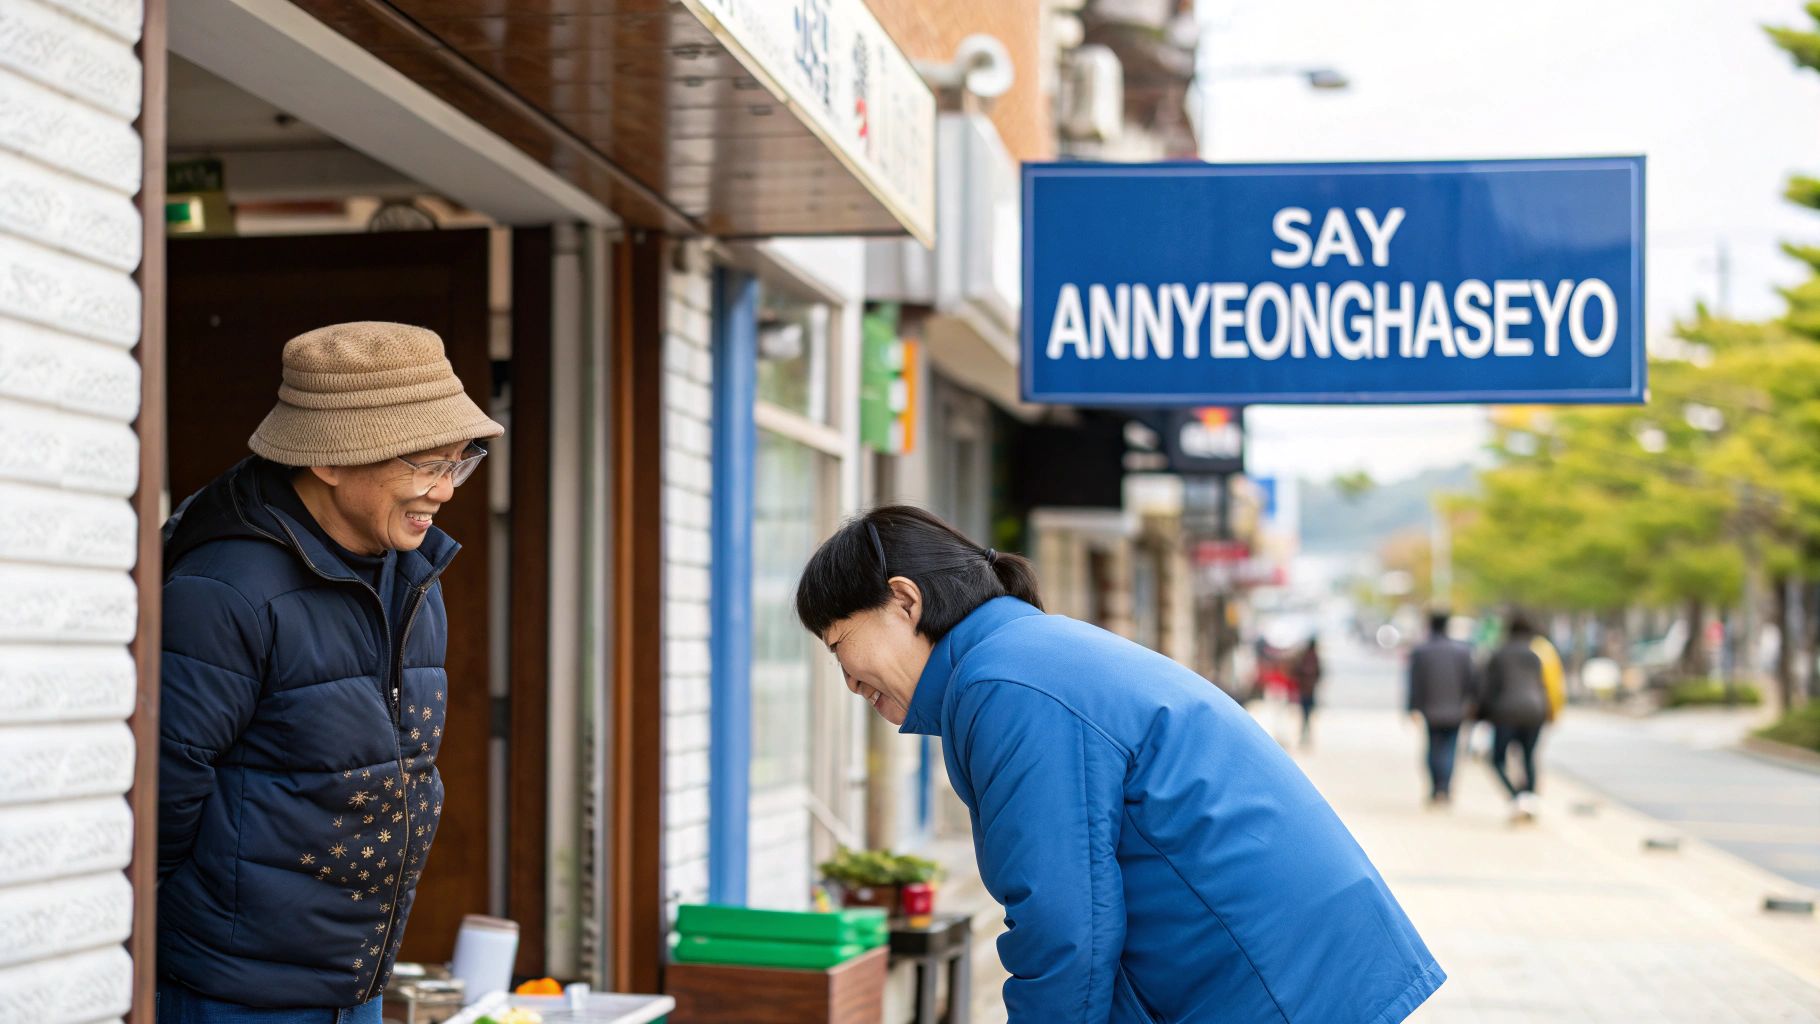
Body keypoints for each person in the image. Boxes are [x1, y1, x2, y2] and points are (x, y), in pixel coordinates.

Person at [795, 506, 1444, 1024]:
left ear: (905, 602)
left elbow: (1065, 926)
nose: (849, 680)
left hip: (1272, 977)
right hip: (1288, 960)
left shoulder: (1008, 686)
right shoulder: (1016, 660)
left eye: (840, 645)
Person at [158, 322, 503, 1021]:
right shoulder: (224, 589)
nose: (445, 491)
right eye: (424, 465)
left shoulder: (413, 572)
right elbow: (158, 800)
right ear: (330, 460)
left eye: (457, 463)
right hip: (234, 995)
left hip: (353, 985)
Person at [1479, 615, 1554, 822]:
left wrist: (1481, 714)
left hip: (1506, 712)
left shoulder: (1499, 654)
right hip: (1535, 711)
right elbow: (1543, 685)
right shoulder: (1534, 655)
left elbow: (1487, 688)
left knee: (1497, 759)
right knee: (1529, 756)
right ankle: (1530, 801)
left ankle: (1517, 798)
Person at [1406, 611, 1476, 807]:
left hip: (1431, 710)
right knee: (1450, 750)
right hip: (1456, 709)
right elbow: (1471, 681)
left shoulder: (1421, 651)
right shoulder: (1462, 651)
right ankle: (1444, 788)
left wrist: (1411, 707)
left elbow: (1414, 682)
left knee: (1433, 748)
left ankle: (1435, 788)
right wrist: (1471, 704)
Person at [1292, 637, 1323, 749]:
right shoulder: (1313, 658)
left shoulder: (1305, 657)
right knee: (1307, 715)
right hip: (1309, 691)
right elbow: (1320, 673)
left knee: (1305, 714)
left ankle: (1304, 736)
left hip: (1305, 691)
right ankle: (1306, 736)